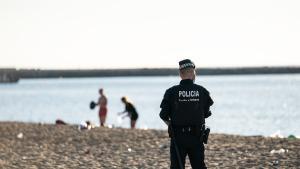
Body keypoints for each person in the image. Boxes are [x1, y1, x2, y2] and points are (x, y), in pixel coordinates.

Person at [159, 59, 214, 169]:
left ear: (180, 74)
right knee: (199, 166)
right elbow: (206, 113)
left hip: (178, 137)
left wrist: (170, 124)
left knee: (177, 167)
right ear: (193, 73)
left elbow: (163, 115)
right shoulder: (202, 91)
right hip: (196, 137)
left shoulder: (171, 92)